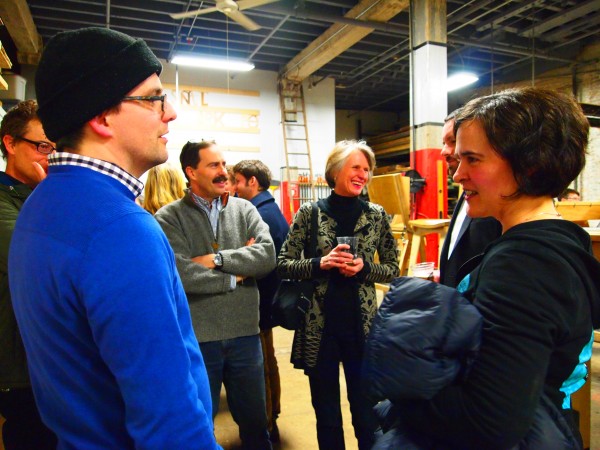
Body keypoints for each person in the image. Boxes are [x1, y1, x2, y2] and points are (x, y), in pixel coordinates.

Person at [9, 27, 219, 449]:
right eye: (153, 98)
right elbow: (169, 422)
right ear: (102, 116)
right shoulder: (119, 229)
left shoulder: (42, 203)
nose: (170, 112)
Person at [385, 87, 600, 448]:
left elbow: (487, 421)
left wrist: (402, 375)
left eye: (473, 159)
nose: (458, 175)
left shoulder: (524, 264)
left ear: (530, 164)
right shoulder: (556, 240)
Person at [276, 140, 399, 450]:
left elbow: (392, 269)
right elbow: (283, 264)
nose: (363, 174)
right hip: (319, 329)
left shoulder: (376, 215)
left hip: (363, 329)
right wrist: (321, 263)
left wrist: (364, 268)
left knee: (367, 414)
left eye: (367, 169)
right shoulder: (309, 213)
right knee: (327, 414)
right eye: (356, 167)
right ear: (335, 170)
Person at [155, 141, 276, 450]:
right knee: (199, 427)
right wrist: (235, 276)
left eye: (224, 164)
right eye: (213, 165)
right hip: (198, 340)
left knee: (256, 426)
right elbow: (180, 272)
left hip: (245, 336)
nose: (224, 172)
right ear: (191, 172)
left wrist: (217, 259)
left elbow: (266, 256)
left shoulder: (245, 210)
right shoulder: (169, 218)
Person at [0, 100, 57, 449]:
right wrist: (51, 194)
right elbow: (36, 262)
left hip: (50, 357)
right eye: (42, 146)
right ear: (10, 143)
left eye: (55, 148)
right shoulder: (8, 200)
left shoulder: (36, 194)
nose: (50, 157)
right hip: (19, 364)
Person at [232, 159, 289, 442]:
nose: (233, 187)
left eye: (237, 181)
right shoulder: (269, 209)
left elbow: (256, 263)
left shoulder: (260, 215)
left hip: (260, 302)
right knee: (267, 362)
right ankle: (271, 416)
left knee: (262, 366)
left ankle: (267, 424)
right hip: (267, 300)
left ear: (252, 182)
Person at [439, 109, 502, 287]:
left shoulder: (495, 196)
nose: (444, 151)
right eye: (444, 143)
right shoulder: (467, 191)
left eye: (453, 141)